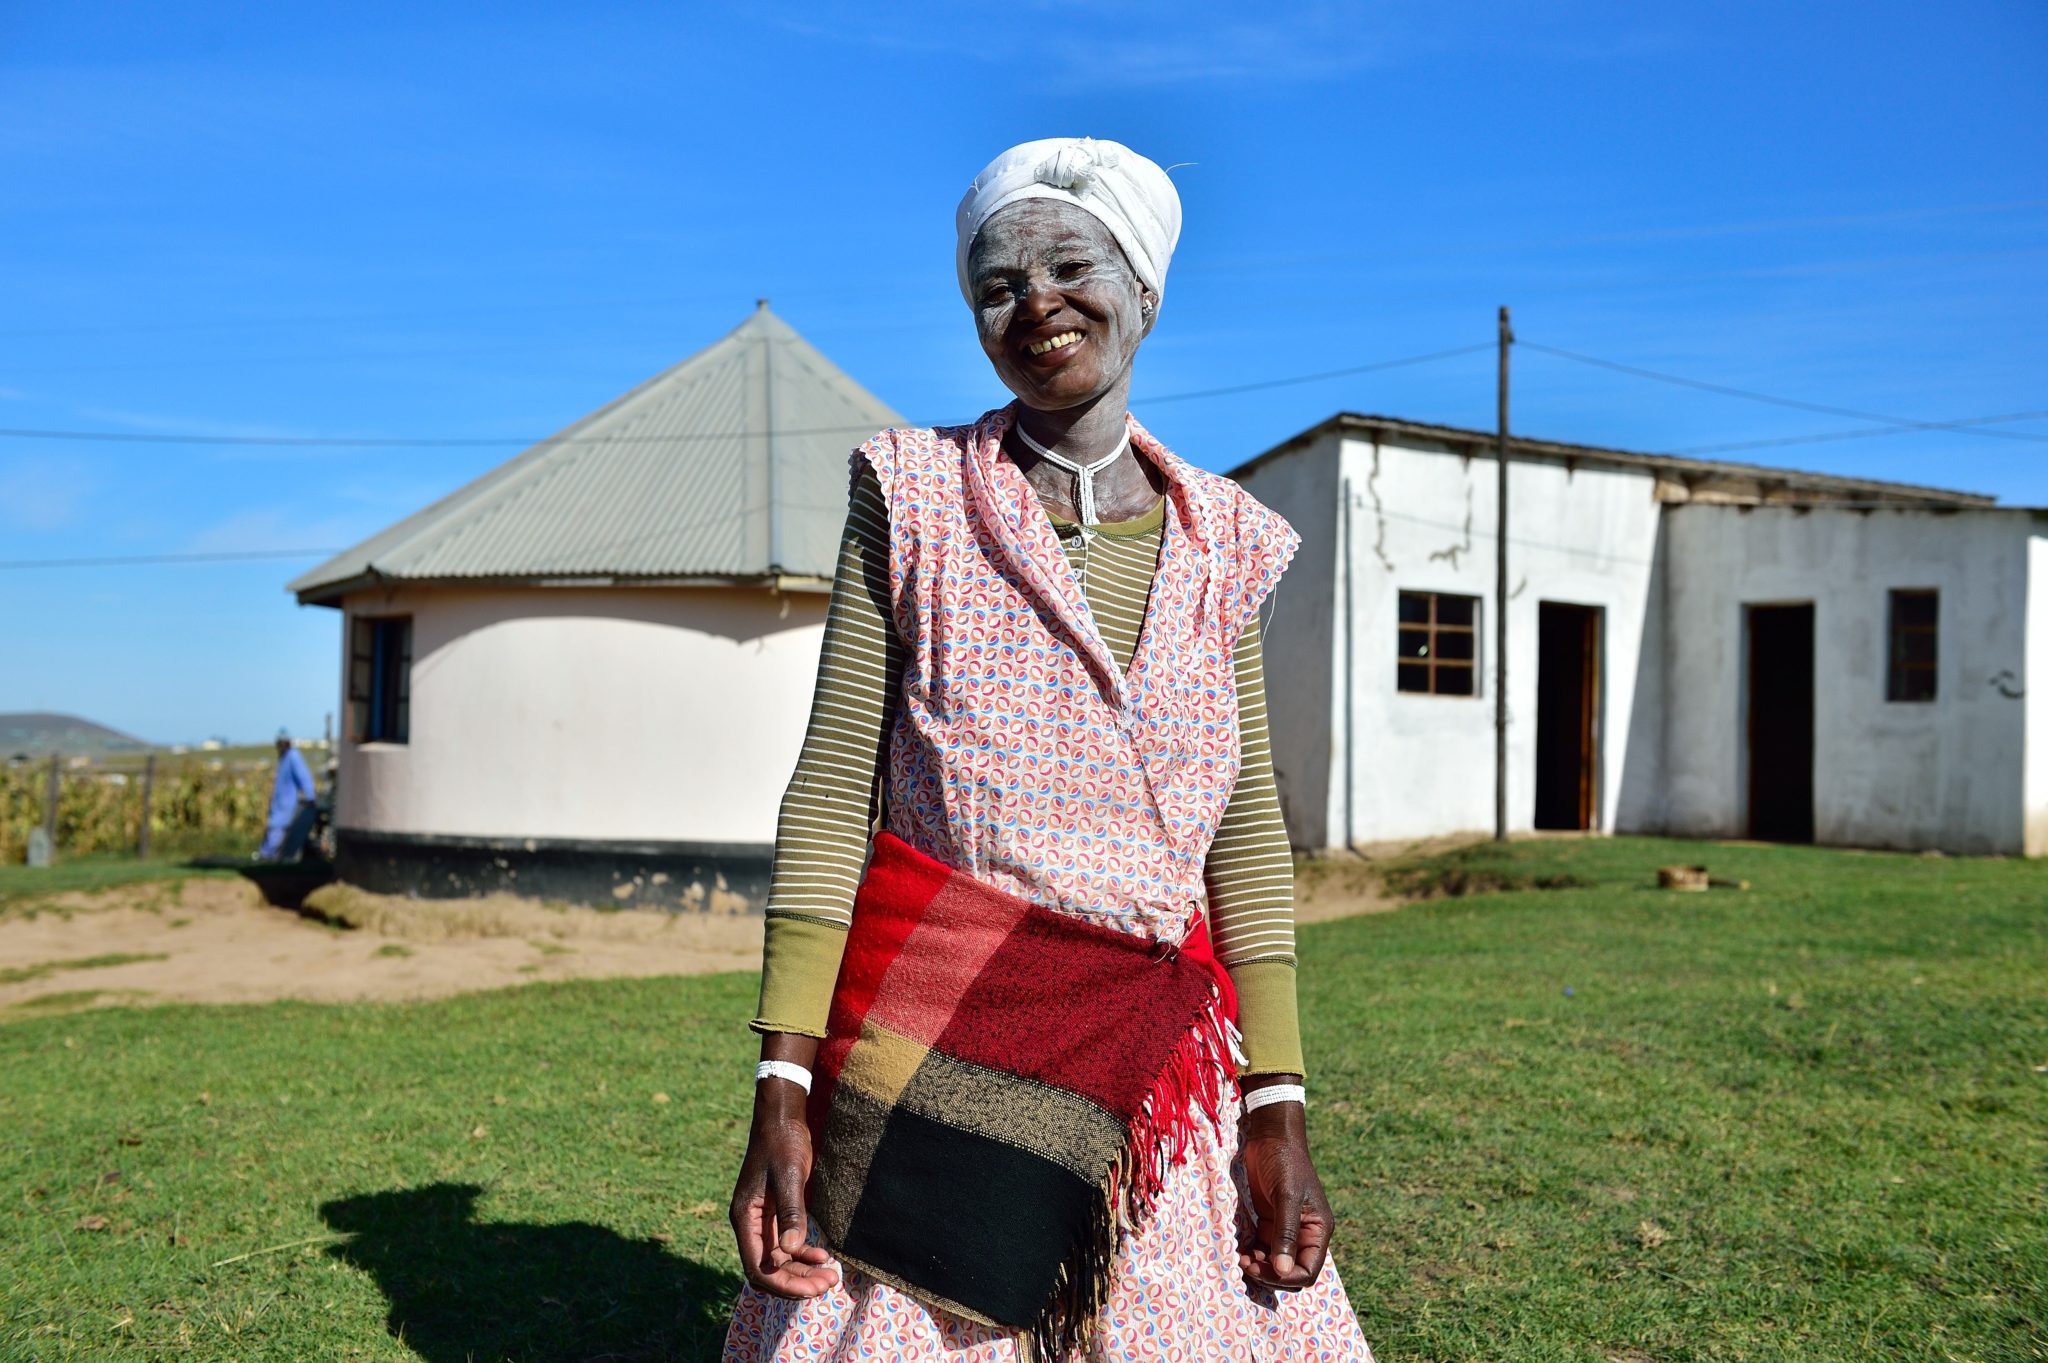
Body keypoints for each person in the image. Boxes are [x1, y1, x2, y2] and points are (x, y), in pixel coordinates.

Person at [724, 138, 1374, 1361]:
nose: (1035, 304)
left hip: (1149, 1063)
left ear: (1144, 290)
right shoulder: (912, 496)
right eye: (994, 284)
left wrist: (1275, 1099)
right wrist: (785, 1081)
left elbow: (1240, 829)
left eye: (1070, 265)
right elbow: (829, 788)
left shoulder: (1224, 542)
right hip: (933, 1049)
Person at [257, 728, 317, 861]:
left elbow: (304, 778)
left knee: (276, 835)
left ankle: (268, 859)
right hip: (279, 807)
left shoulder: (292, 756)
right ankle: (267, 858)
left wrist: (310, 797)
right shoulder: (283, 758)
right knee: (273, 834)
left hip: (286, 807)